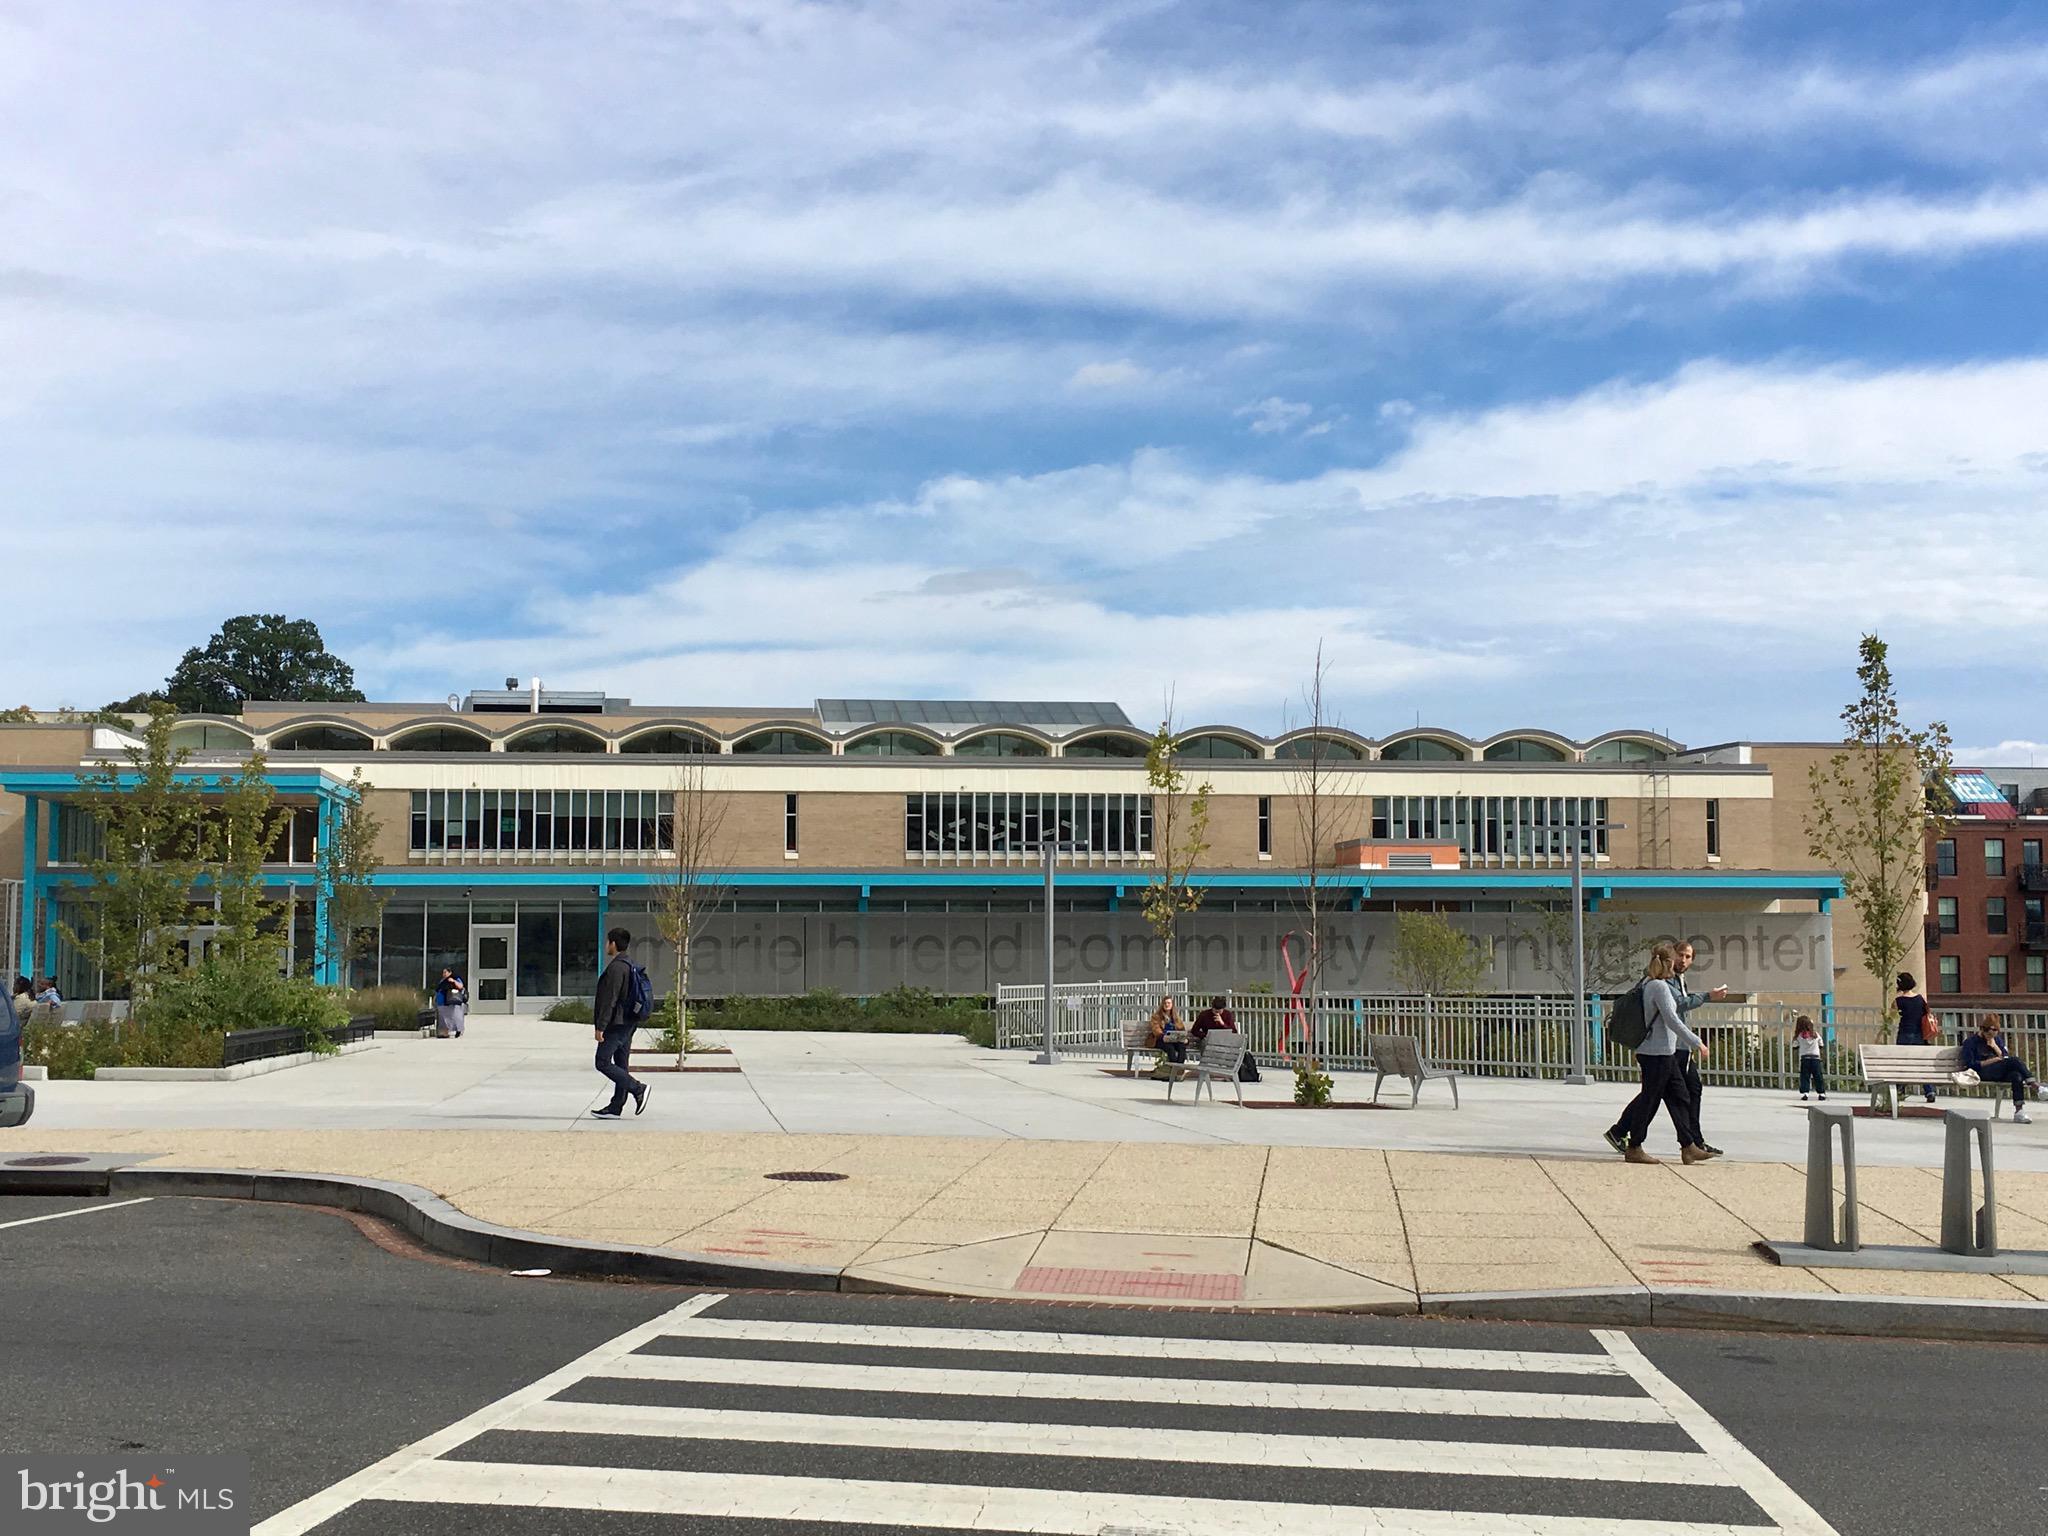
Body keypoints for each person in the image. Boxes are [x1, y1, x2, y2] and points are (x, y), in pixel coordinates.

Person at [1610, 943, 1712, 1165]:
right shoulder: (1659, 987)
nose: (1679, 963)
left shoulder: (1650, 984)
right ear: (1668, 963)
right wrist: (1697, 1043)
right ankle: (1634, 1146)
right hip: (1656, 1054)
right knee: (1650, 1100)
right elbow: (1672, 1019)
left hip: (1663, 1053)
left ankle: (1688, 1146)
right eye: (1676, 959)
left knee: (1680, 1096)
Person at [1669, 941, 1730, 1155]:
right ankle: (1691, 1143)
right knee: (1660, 1095)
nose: (1683, 960)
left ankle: (1695, 1141)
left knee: (1691, 1090)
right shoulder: (1666, 980)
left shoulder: (1680, 980)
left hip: (1682, 1046)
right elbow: (1679, 1004)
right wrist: (1707, 996)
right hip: (1671, 1047)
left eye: (1688, 957)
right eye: (1680, 955)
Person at [590, 927, 649, 1119]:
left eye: (608, 942)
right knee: (621, 1064)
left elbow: (610, 999)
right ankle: (616, 1107)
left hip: (617, 1024)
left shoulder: (616, 968)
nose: (606, 945)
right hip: (629, 1022)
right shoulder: (630, 964)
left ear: (613, 943)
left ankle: (638, 1088)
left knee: (602, 1061)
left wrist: (600, 1026)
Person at [1960, 1013, 2039, 1124]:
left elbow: (2005, 1056)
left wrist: (1995, 1047)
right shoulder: (1971, 1042)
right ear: (1982, 1030)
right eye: (1988, 1035)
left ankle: (2019, 1111)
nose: (1990, 1037)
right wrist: (1993, 1060)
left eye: (1994, 1035)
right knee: (2015, 1060)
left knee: (2016, 1075)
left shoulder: (1996, 1040)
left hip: (1998, 1071)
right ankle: (2035, 1085)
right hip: (1981, 1072)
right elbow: (1970, 1065)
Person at [1894, 972, 1938, 1106]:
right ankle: (1929, 1091)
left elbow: (1891, 1014)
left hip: (1905, 1033)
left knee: (1903, 1062)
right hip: (1919, 1034)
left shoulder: (1899, 1001)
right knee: (1921, 1063)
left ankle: (1900, 1090)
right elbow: (1927, 1013)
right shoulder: (1920, 999)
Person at [1145, 996, 1188, 1065]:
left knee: (1182, 1047)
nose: (1167, 1005)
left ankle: (1179, 1067)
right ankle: (1174, 1067)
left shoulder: (1176, 1017)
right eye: (1165, 1003)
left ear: (1172, 1005)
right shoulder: (1156, 1017)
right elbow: (1156, 1030)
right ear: (1162, 1005)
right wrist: (1163, 1036)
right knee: (1170, 1048)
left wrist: (1184, 1038)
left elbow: (1181, 1029)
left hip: (1174, 1039)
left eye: (1169, 1003)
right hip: (1161, 1039)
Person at [1793, 1015, 1826, 1100]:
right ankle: (1821, 1093)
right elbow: (1821, 1044)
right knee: (1818, 1076)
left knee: (1805, 1076)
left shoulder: (1799, 1036)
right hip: (1815, 1058)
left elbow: (1795, 1046)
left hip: (1805, 1059)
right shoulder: (1816, 1035)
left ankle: (1805, 1093)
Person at [433, 967, 467, 1039]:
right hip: (441, 1003)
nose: (444, 974)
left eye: (445, 972)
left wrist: (453, 981)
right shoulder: (442, 981)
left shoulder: (455, 978)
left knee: (455, 1017)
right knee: (443, 1019)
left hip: (452, 1002)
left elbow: (461, 986)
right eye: (443, 972)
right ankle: (444, 1033)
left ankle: (458, 1030)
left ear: (450, 972)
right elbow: (438, 989)